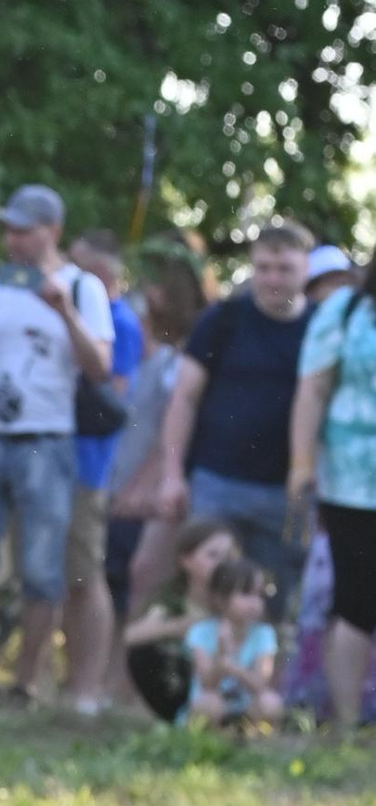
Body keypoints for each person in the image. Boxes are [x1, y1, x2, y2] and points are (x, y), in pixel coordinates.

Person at [0, 183, 113, 701]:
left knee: (42, 570)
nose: (13, 240)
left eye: (24, 229)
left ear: (53, 231)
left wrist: (65, 312)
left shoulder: (82, 287)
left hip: (47, 440)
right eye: (9, 230)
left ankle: (24, 683)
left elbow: (100, 368)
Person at [137, 219, 314, 617]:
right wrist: (171, 475)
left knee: (269, 606)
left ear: (305, 267)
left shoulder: (321, 327)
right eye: (264, 267)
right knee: (204, 600)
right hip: (217, 483)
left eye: (284, 268)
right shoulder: (224, 318)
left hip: (286, 493)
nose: (273, 278)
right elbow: (183, 399)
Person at [102, 251, 205, 698]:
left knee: (143, 581)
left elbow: (169, 430)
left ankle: (130, 685)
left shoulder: (181, 360)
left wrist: (144, 484)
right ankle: (109, 682)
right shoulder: (147, 358)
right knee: (120, 585)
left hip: (156, 492)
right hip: (123, 487)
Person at [290, 249, 376, 737]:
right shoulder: (345, 309)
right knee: (356, 600)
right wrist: (301, 464)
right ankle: (346, 723)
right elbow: (313, 389)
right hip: (351, 483)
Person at [61, 227, 142, 715]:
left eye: (79, 264)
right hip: (59, 460)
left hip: (89, 464)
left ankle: (88, 689)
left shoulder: (120, 321)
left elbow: (113, 395)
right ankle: (68, 681)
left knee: (84, 576)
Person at [121, 520, 239, 727]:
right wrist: (179, 627)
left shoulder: (239, 602)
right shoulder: (171, 601)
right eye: (213, 555)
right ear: (186, 560)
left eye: (228, 557)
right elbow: (130, 636)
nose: (221, 564)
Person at [185, 563, 282, 732]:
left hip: (247, 707)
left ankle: (259, 739)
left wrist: (233, 667)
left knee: (270, 703)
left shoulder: (264, 633)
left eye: (259, 595)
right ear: (220, 598)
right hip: (212, 704)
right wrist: (221, 656)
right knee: (208, 704)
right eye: (246, 594)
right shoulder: (200, 632)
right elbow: (207, 684)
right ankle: (211, 741)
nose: (255, 603)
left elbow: (261, 684)